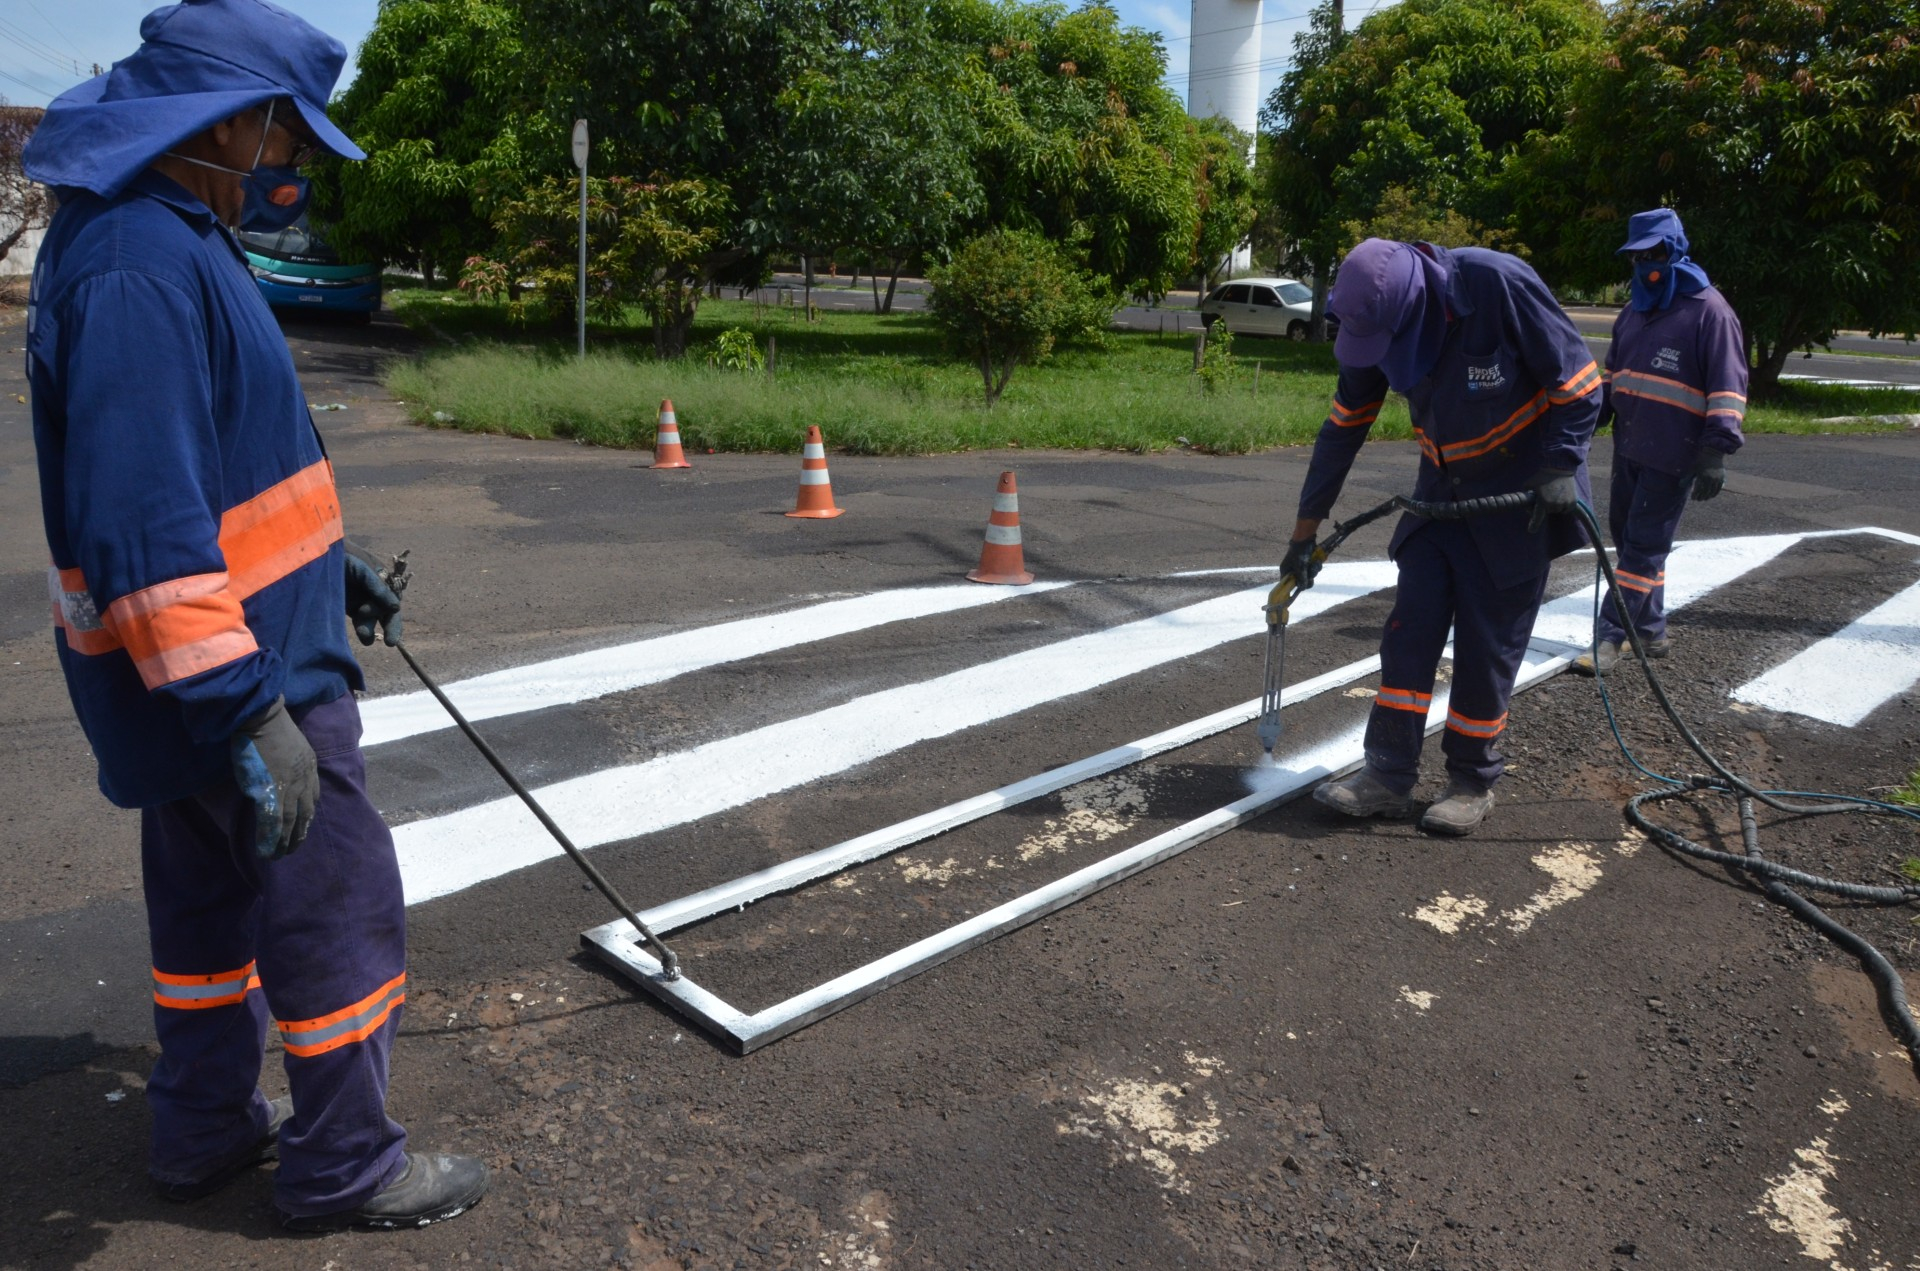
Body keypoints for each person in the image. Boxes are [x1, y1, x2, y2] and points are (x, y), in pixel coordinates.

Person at [23, 0, 487, 1231]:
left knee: (204, 919)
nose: (291, 172)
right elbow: (141, 529)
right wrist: (249, 708)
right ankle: (348, 1164)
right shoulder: (136, 263)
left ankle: (204, 1129)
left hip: (207, 668)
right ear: (234, 124)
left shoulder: (169, 234)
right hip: (242, 680)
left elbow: (212, 470)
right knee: (330, 910)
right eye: (289, 144)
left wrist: (324, 562)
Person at [1284, 238, 1602, 835]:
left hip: (1521, 495)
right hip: (1441, 490)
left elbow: (1580, 382)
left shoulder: (1493, 283)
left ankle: (1471, 781)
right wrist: (1304, 534)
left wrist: (1561, 464)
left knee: (1488, 644)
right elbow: (1343, 428)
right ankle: (1386, 774)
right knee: (1410, 628)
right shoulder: (1369, 319)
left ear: (1417, 306)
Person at [1572, 208, 1746, 675]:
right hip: (1630, 445)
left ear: (1675, 251)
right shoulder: (1635, 310)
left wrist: (1715, 450)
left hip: (1676, 451)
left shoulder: (1709, 312)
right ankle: (1650, 631)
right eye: (1637, 256)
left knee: (1643, 547)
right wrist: (1598, 410)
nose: (1645, 263)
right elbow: (1614, 371)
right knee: (1632, 540)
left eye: (1655, 253)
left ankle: (1610, 636)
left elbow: (1729, 386)